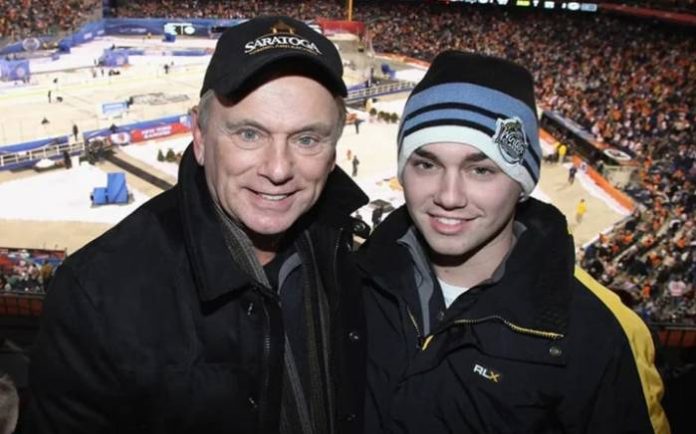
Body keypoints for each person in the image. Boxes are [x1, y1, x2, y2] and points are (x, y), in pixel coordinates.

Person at [25, 16, 368, 434]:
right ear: (201, 137)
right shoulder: (97, 295)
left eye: (307, 139)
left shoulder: (352, 258)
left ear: (333, 153)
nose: (278, 169)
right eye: (249, 134)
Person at [359, 51, 669, 434]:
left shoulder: (602, 332)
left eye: (481, 170)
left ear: (522, 182)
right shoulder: (351, 280)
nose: (449, 196)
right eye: (427, 164)